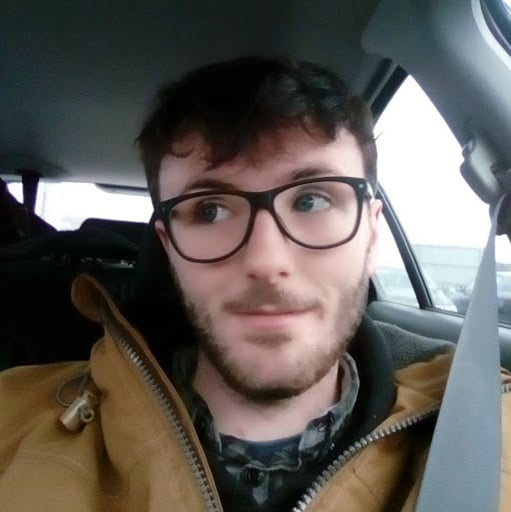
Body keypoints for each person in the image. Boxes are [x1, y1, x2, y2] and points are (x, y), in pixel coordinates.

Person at [1, 56, 510, 512]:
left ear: (372, 236)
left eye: (311, 200)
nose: (266, 262)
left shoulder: (489, 429)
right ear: (168, 247)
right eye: (210, 210)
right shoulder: (12, 421)